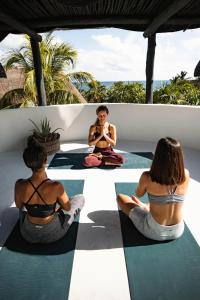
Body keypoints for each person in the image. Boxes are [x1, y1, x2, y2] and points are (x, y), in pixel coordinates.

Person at [117, 137, 190, 241]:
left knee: (121, 197)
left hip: (154, 232)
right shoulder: (186, 174)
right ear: (179, 156)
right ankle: (147, 209)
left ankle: (145, 209)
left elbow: (138, 194)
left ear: (158, 156)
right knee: (161, 204)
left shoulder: (147, 177)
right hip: (178, 231)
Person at [15, 144, 85, 244]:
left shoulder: (19, 184)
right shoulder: (56, 186)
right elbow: (67, 208)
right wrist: (54, 208)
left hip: (28, 234)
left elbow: (18, 206)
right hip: (52, 234)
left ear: (27, 163)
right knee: (79, 198)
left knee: (23, 207)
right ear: (45, 161)